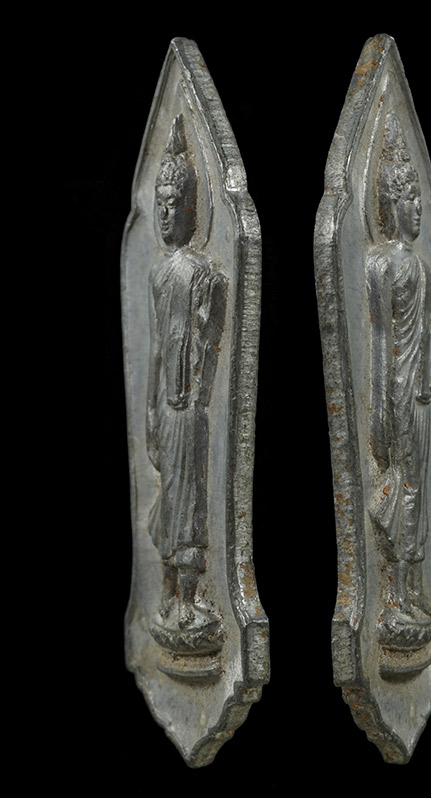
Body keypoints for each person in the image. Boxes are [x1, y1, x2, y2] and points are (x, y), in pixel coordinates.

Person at [146, 115, 227, 646]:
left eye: (174, 204)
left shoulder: (200, 274)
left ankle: (191, 596)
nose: (165, 214)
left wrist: (193, 394)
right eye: (160, 204)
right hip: (166, 404)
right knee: (172, 498)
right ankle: (171, 594)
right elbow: (156, 346)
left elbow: (209, 342)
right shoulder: (159, 274)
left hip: (190, 404)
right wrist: (150, 412)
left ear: (193, 209)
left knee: (192, 498)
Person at [366, 113, 431, 649]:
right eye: (409, 199)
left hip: (419, 391)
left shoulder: (417, 265)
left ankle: (412, 588)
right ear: (390, 206)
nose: (416, 208)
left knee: (417, 487)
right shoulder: (382, 266)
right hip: (397, 392)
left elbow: (426, 330)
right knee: (406, 488)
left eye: (419, 198)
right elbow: (377, 341)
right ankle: (394, 593)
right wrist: (379, 411)